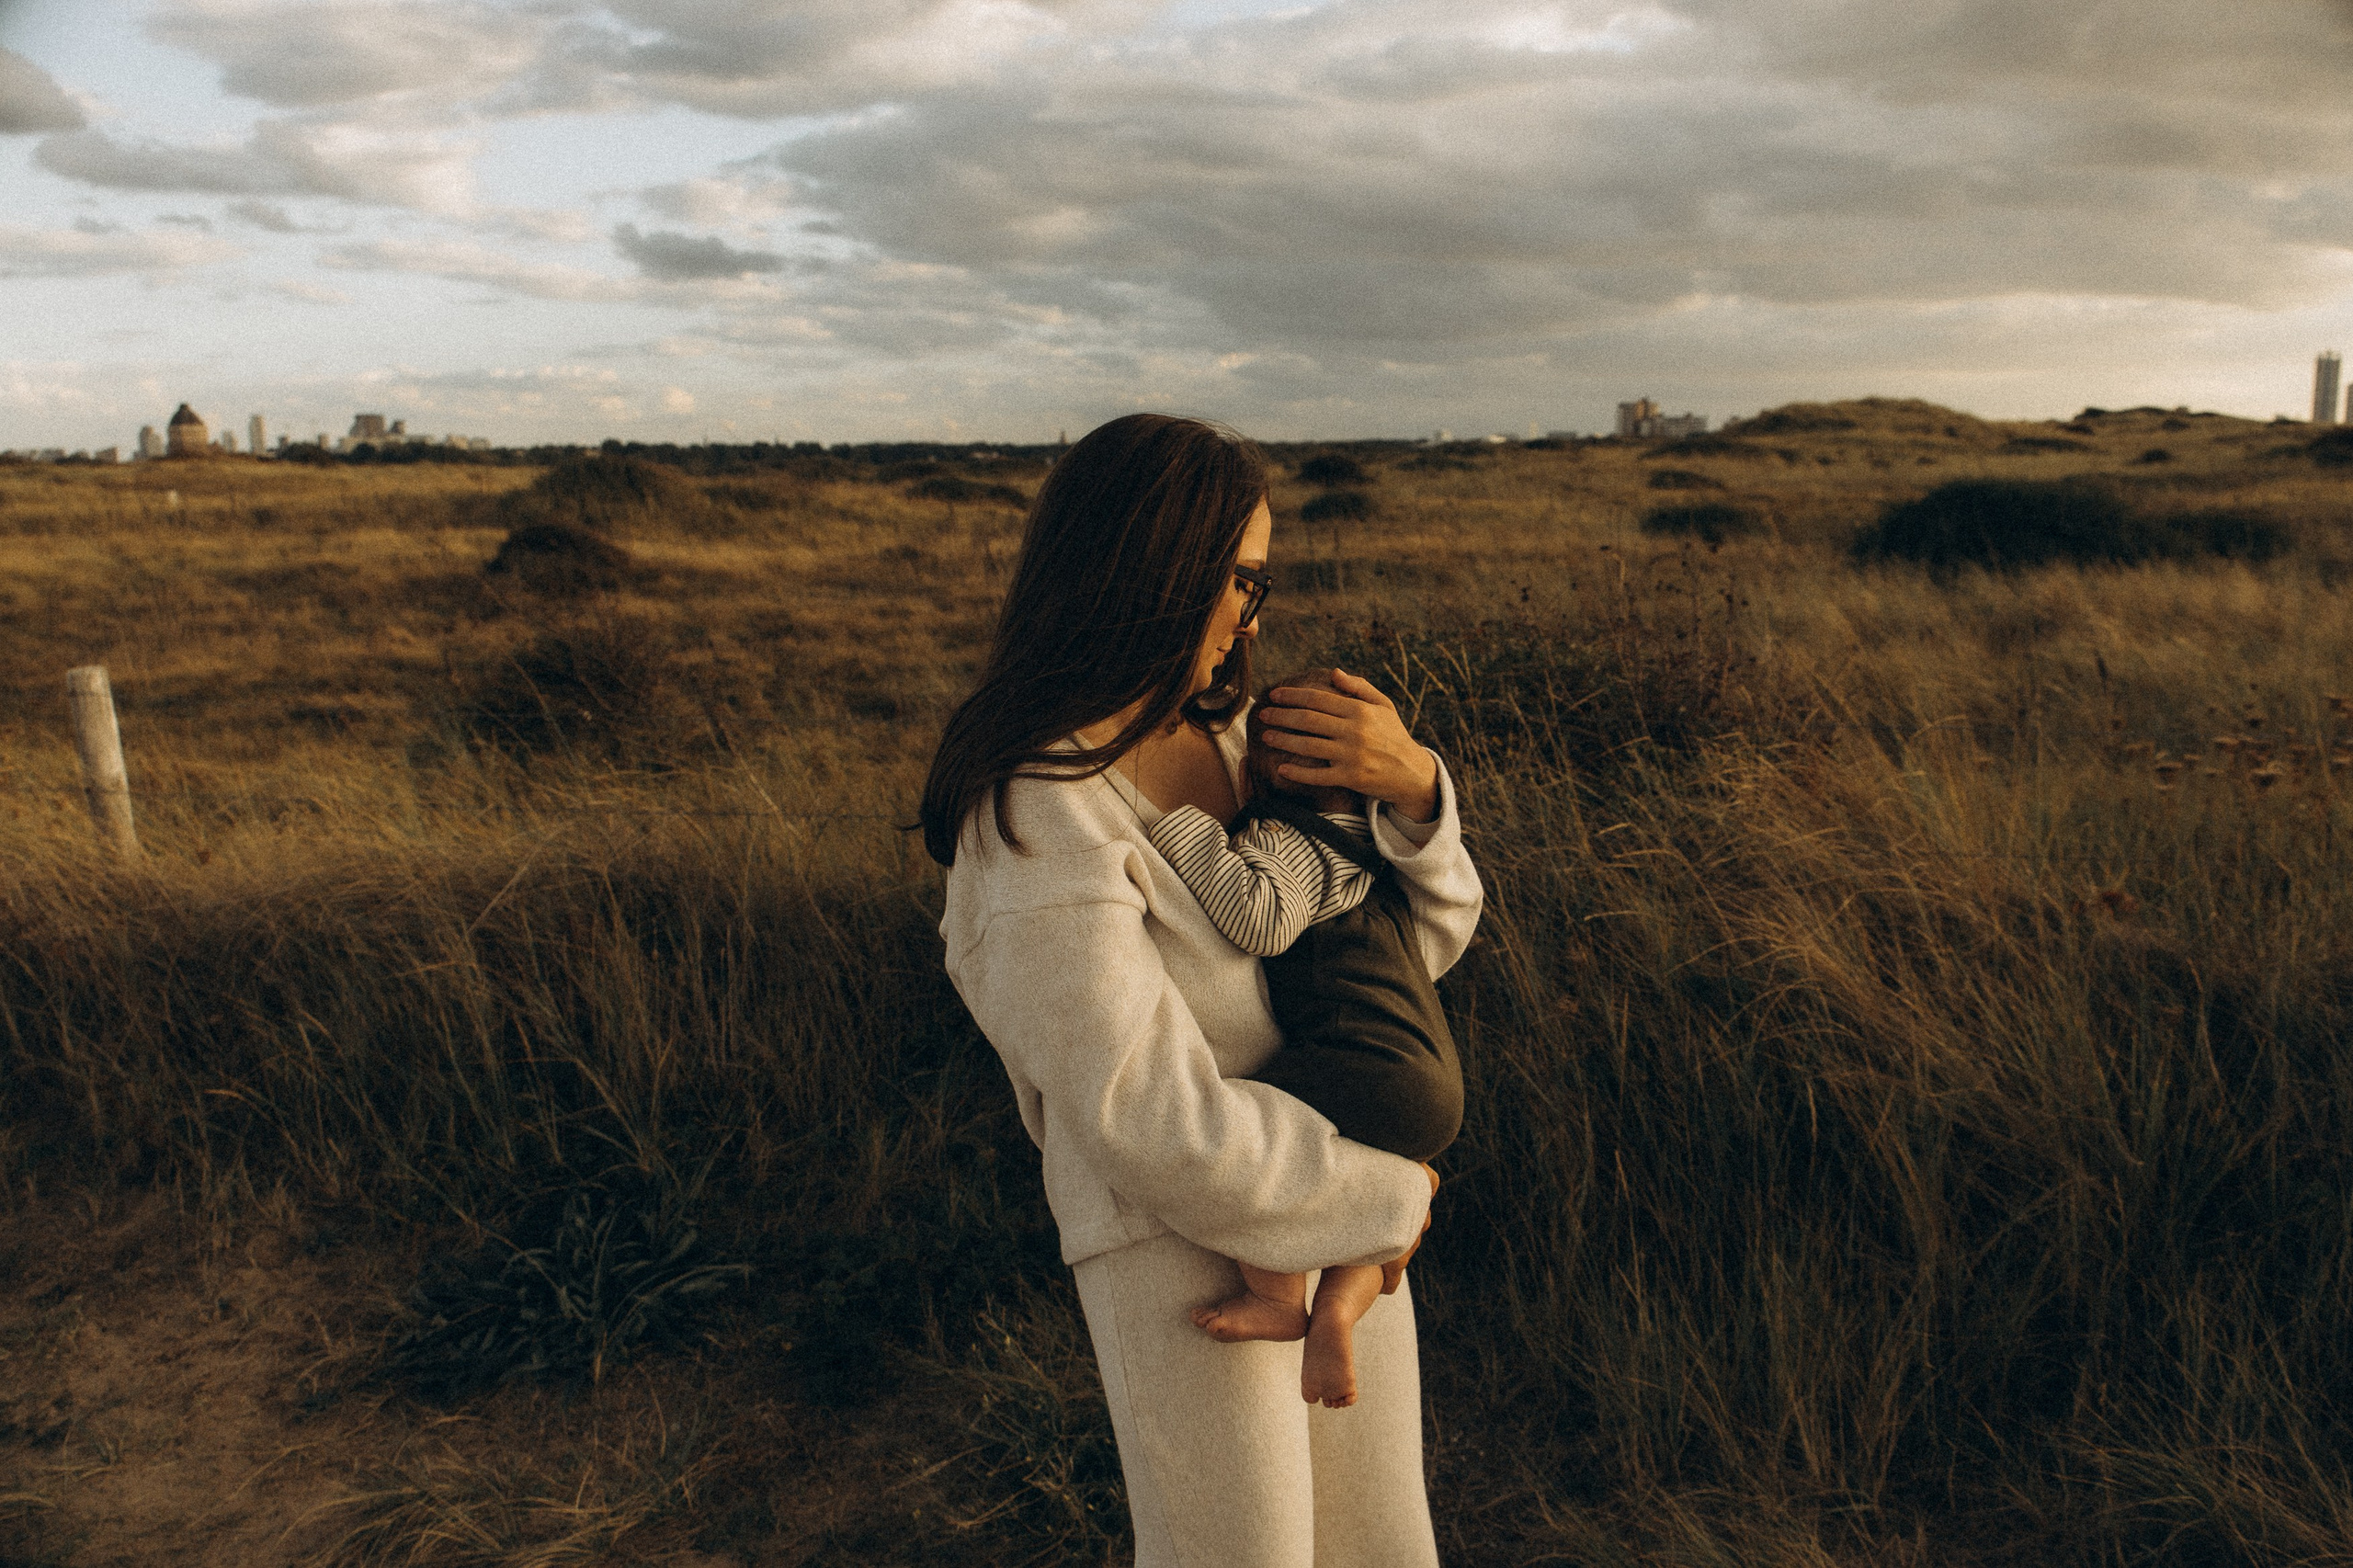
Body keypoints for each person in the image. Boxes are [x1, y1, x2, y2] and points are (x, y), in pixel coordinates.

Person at [920, 414, 1483, 1568]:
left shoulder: (1239, 743)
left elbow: (1402, 960)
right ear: (1150, 566)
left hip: (1330, 1213)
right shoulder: (1038, 807)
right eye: (1237, 574)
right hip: (1179, 1242)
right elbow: (1139, 1109)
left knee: (1377, 1547)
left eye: (1260, 576)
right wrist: (1385, 1193)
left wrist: (1413, 793)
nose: (1253, 608)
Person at [1149, 668, 1464, 1412]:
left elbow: (1261, 918)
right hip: (1424, 1076)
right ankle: (1339, 1308)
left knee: (1247, 1131)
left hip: (1373, 1067)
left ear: (1269, 775)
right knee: (1359, 1184)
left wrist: (1186, 829)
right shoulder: (1375, 855)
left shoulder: (1295, 845)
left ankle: (1278, 1292)